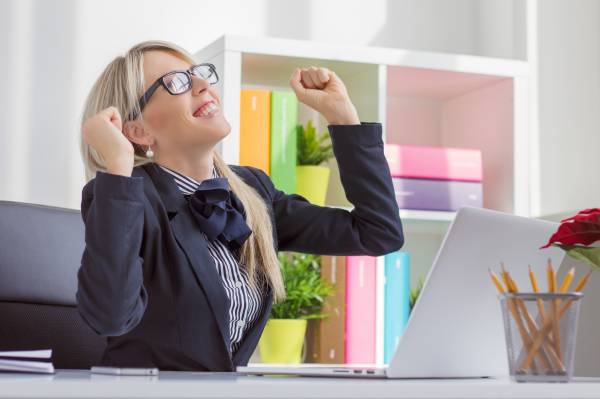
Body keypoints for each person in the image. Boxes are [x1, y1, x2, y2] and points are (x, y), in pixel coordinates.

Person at [77, 40, 404, 371]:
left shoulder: (252, 192)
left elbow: (378, 232)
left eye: (199, 74)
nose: (204, 85)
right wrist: (118, 163)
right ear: (139, 130)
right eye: (178, 82)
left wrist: (342, 117)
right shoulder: (124, 198)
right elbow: (110, 316)